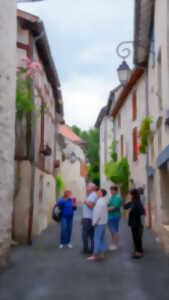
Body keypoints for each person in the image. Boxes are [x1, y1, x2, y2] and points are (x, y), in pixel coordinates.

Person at [88, 189, 108, 261]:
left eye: (98, 191)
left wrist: (95, 223)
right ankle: (102, 254)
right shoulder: (103, 201)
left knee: (96, 239)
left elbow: (97, 214)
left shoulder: (100, 202)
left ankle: (94, 255)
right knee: (102, 238)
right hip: (103, 223)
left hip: (98, 223)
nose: (97, 192)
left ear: (101, 193)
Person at [124, 189, 144, 259]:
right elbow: (125, 206)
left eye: (130, 194)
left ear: (133, 195)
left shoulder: (137, 202)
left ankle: (138, 253)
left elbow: (141, 211)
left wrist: (132, 211)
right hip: (134, 222)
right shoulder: (133, 202)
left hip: (136, 223)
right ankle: (139, 251)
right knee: (136, 238)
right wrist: (129, 208)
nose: (129, 195)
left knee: (137, 238)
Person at [82, 183, 97, 254]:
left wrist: (85, 202)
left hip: (88, 218)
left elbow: (91, 205)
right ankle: (92, 249)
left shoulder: (93, 195)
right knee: (91, 234)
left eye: (88, 186)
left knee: (85, 234)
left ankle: (86, 249)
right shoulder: (92, 195)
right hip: (89, 217)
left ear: (92, 188)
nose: (87, 187)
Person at [107, 186, 123, 251]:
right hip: (111, 216)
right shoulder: (112, 197)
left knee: (115, 230)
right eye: (110, 190)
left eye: (112, 190)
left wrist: (104, 209)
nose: (111, 192)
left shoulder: (117, 197)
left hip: (114, 216)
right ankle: (113, 244)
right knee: (112, 231)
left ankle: (115, 245)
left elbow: (114, 207)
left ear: (115, 191)